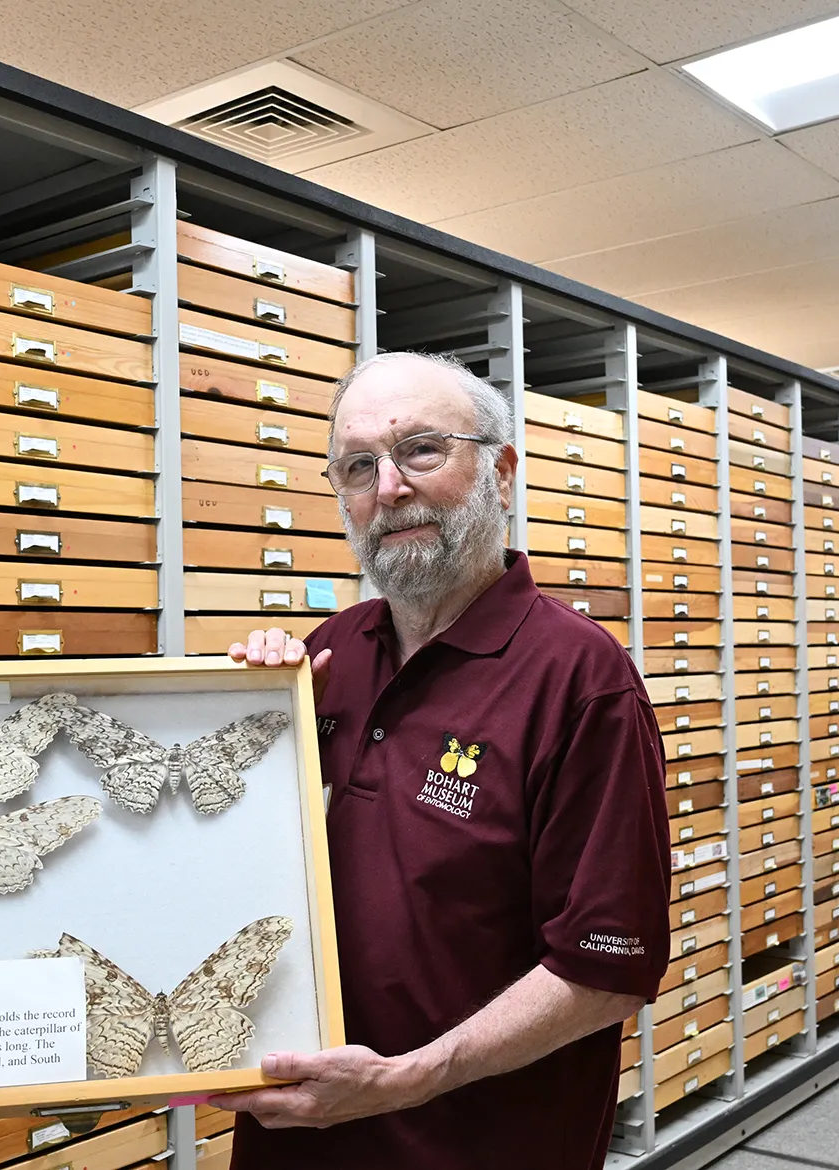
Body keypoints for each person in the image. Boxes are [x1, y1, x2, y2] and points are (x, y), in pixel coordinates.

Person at [217, 351, 672, 1168]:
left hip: (475, 1146)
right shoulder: (321, 659)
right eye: (359, 466)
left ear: (500, 469)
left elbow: (606, 970)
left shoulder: (580, 680)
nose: (389, 489)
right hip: (294, 1136)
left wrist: (402, 1081)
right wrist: (234, 728)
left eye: (422, 450)